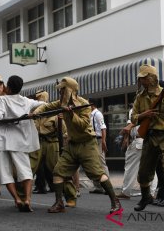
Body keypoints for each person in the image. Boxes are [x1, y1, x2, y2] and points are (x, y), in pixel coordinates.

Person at [33, 77, 121, 214]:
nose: (60, 92)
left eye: (62, 89)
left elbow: (83, 125)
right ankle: (59, 203)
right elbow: (46, 106)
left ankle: (115, 202)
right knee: (58, 172)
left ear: (69, 90)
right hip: (72, 145)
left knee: (97, 174)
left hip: (87, 144)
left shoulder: (84, 104)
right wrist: (35, 113)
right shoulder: (61, 103)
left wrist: (71, 113)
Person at [131, 64, 164, 217]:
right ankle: (146, 197)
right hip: (150, 136)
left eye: (144, 78)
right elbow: (133, 118)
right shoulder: (140, 97)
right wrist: (143, 115)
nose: (141, 80)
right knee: (143, 173)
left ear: (152, 78)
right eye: (141, 78)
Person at [0, 75, 45, 212]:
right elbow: (44, 105)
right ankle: (27, 199)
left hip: (3, 140)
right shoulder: (26, 101)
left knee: (5, 172)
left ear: (7, 87)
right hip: (20, 141)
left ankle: (17, 199)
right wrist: (33, 112)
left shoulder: (1, 99)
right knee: (25, 170)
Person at [116, 108, 157, 199]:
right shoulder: (151, 108)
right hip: (151, 140)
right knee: (151, 168)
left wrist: (126, 139)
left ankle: (126, 191)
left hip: (138, 140)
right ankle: (152, 192)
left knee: (130, 167)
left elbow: (129, 126)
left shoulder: (134, 109)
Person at [89, 101, 110, 194]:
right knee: (93, 163)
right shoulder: (90, 114)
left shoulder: (98, 114)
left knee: (101, 162)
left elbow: (103, 128)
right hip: (91, 140)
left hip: (98, 140)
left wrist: (103, 141)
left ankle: (107, 186)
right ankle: (97, 186)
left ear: (92, 105)